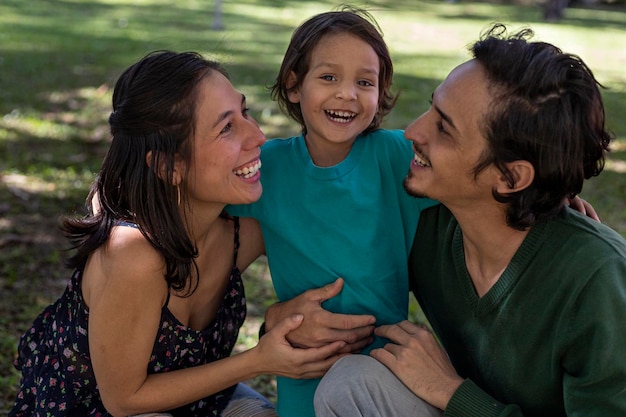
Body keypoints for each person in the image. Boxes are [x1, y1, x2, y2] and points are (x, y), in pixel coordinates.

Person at [8, 51, 348, 417]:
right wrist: (258, 360)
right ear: (170, 165)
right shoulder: (133, 254)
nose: (258, 136)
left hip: (194, 401)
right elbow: (123, 399)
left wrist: (280, 317)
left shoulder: (243, 231)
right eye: (226, 128)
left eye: (244, 113)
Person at [313, 23, 626, 416]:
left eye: (444, 128)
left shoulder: (599, 282)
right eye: (432, 107)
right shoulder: (428, 224)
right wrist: (283, 320)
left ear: (510, 177)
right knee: (352, 382)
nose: (412, 131)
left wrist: (452, 393)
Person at [225, 7, 439, 417]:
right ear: (293, 86)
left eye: (365, 82)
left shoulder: (395, 156)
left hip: (383, 374)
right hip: (304, 369)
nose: (347, 94)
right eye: (328, 77)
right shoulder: (267, 168)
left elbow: (472, 177)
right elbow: (199, 205)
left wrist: (556, 200)